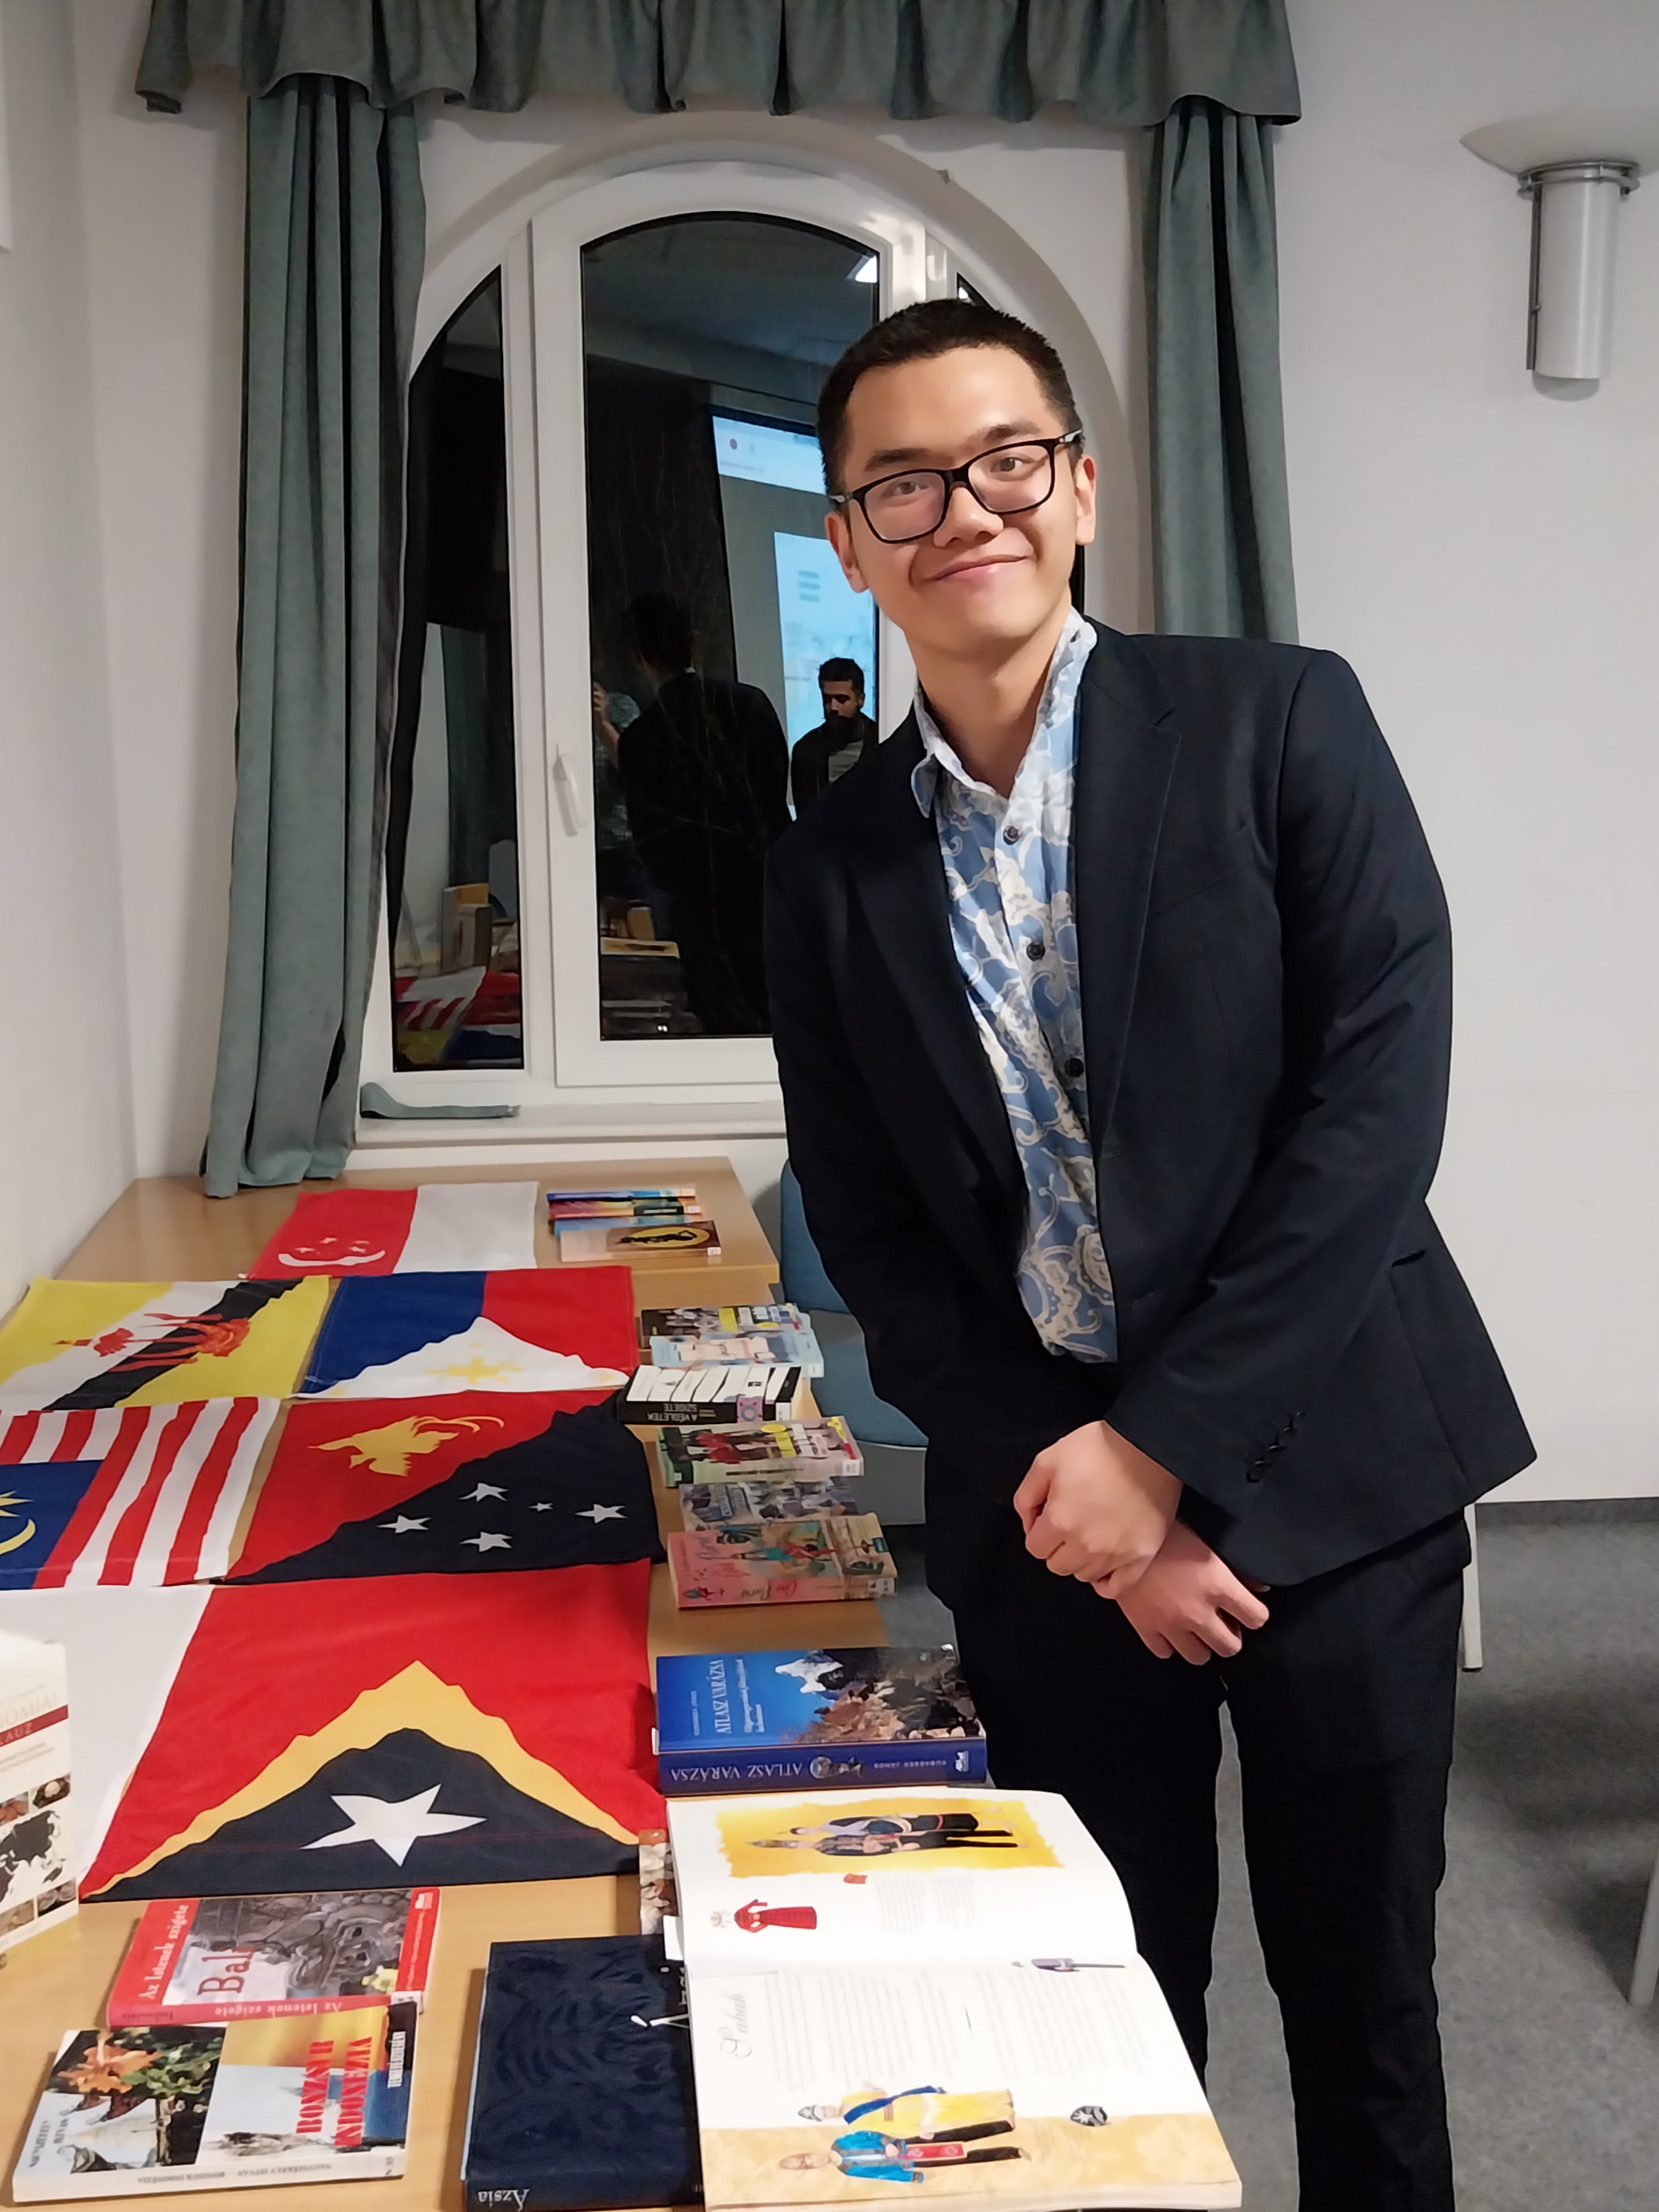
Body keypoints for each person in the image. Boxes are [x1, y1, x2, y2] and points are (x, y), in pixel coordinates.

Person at [765, 297, 1534, 2211]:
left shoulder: (1279, 718)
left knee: (1364, 2006)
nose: (968, 510)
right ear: (849, 539)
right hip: (1047, 1517)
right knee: (1094, 2012)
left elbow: (1370, 1116)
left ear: (1082, 486)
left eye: (1007, 460)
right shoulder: (827, 861)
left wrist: (1162, 1455)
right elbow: (870, 1220)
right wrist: (1090, 1495)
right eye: (904, 483)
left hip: (1335, 1478)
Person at [615, 592, 790, 1033]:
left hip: (699, 911)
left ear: (638, 657)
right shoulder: (748, 705)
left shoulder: (642, 738)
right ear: (693, 641)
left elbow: (651, 842)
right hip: (766, 896)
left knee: (722, 1032)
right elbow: (774, 803)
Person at [790, 657, 879, 813]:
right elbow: (804, 814)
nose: (833, 707)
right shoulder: (806, 750)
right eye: (827, 699)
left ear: (861, 700)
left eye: (841, 699)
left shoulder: (882, 741)